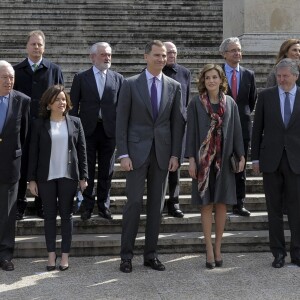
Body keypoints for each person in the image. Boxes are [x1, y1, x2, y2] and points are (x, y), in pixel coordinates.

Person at [116, 40, 185, 273]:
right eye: (156, 55)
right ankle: (126, 256)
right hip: (135, 154)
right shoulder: (130, 84)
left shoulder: (175, 86)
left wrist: (176, 153)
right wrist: (123, 153)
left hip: (163, 154)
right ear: (146, 57)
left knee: (157, 206)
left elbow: (178, 124)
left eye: (163, 55)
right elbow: (121, 121)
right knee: (133, 203)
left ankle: (150, 255)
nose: (161, 59)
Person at [185, 64, 245, 269]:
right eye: (208, 77)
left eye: (215, 77)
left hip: (224, 161)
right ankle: (208, 249)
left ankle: (218, 247)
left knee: (221, 205)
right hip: (203, 163)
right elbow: (191, 132)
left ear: (221, 80)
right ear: (203, 80)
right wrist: (191, 159)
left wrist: (241, 155)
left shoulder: (230, 103)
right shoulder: (195, 103)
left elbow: (237, 130)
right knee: (206, 205)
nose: (211, 81)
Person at [27, 85, 88, 271]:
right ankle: (51, 256)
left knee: (67, 216)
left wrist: (83, 177)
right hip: (46, 177)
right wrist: (31, 180)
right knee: (50, 217)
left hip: (68, 177)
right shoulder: (38, 124)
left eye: (63, 99)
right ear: (48, 104)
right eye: (57, 99)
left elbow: (82, 152)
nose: (61, 102)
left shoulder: (75, 122)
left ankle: (65, 257)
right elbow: (33, 154)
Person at [251, 58, 300, 268]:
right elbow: (257, 129)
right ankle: (278, 253)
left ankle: (297, 253)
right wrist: (255, 158)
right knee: (274, 210)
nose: (281, 80)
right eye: (279, 76)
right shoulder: (266, 96)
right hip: (270, 161)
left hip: (296, 160)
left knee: (297, 209)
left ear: (295, 76)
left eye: (285, 76)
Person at [13, 30, 64, 220]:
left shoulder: (54, 70)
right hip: (22, 126)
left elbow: (61, 98)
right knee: (22, 165)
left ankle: (42, 204)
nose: (36, 47)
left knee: (44, 165)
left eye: (40, 44)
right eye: (33, 44)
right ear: (27, 46)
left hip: (46, 125)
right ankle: (19, 203)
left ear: (44, 47)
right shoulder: (16, 70)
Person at [70, 42, 123, 221]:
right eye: (103, 55)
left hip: (109, 131)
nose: (107, 58)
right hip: (87, 132)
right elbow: (73, 107)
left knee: (107, 171)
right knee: (87, 170)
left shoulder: (118, 78)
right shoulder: (80, 78)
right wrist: (73, 132)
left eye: (109, 55)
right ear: (92, 57)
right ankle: (87, 205)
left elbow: (122, 107)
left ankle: (103, 206)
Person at [219, 37, 257, 217]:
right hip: (220, 126)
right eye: (233, 50)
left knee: (240, 164)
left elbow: (251, 100)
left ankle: (239, 202)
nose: (237, 53)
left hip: (242, 126)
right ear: (225, 54)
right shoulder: (216, 73)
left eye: (239, 50)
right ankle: (221, 201)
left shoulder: (249, 74)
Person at [0, 60, 30, 271]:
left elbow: (25, 135)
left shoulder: (23, 101)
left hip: (10, 165)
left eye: (11, 77)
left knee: (7, 213)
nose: (9, 81)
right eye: (4, 77)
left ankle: (5, 254)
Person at [162, 41, 191, 218]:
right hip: (159, 126)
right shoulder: (153, 72)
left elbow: (185, 101)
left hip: (177, 126)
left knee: (176, 166)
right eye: (168, 52)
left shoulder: (185, 73)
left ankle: (174, 201)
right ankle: (156, 201)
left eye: (174, 52)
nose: (172, 55)